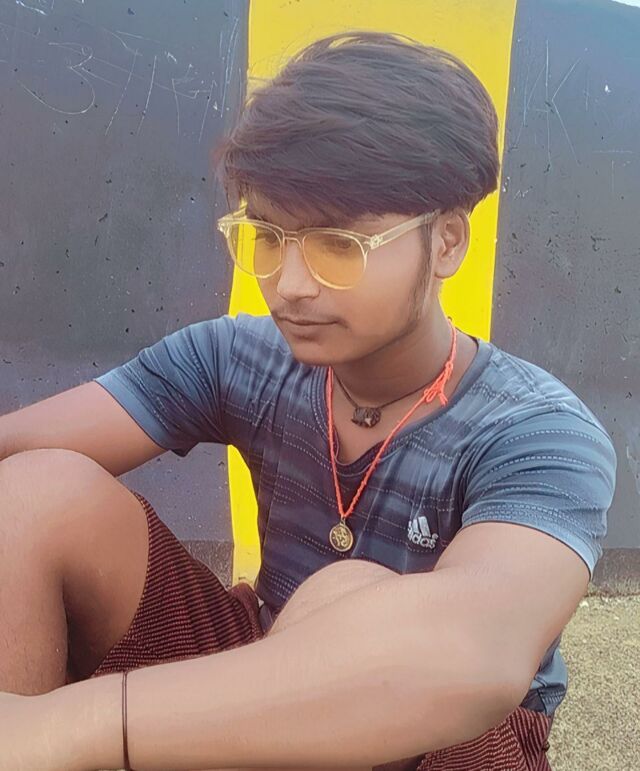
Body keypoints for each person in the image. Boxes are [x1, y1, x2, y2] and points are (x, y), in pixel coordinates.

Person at [0, 30, 616, 771]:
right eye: (266, 236)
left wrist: (78, 726)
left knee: (349, 593)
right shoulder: (237, 357)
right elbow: (19, 452)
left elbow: (475, 653)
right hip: (264, 659)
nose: (289, 285)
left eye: (337, 246)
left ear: (447, 242)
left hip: (451, 739)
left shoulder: (539, 432)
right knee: (32, 493)